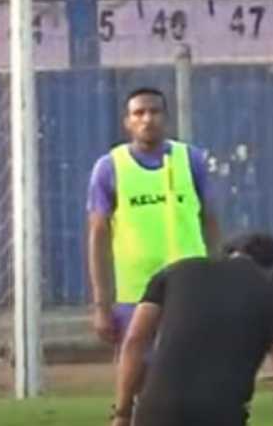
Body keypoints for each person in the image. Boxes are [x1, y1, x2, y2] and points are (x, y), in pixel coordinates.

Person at [109, 233, 273, 426]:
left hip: (156, 417)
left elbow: (134, 342)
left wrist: (122, 413)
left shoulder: (175, 273)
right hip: (219, 425)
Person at [87, 87, 221, 347]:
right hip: (135, 292)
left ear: (166, 118)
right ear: (127, 122)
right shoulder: (110, 167)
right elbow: (98, 236)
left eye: (154, 111)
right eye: (139, 113)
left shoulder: (191, 160)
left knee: (192, 372)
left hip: (190, 287)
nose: (147, 119)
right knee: (140, 373)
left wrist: (217, 281)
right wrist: (101, 305)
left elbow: (210, 223)